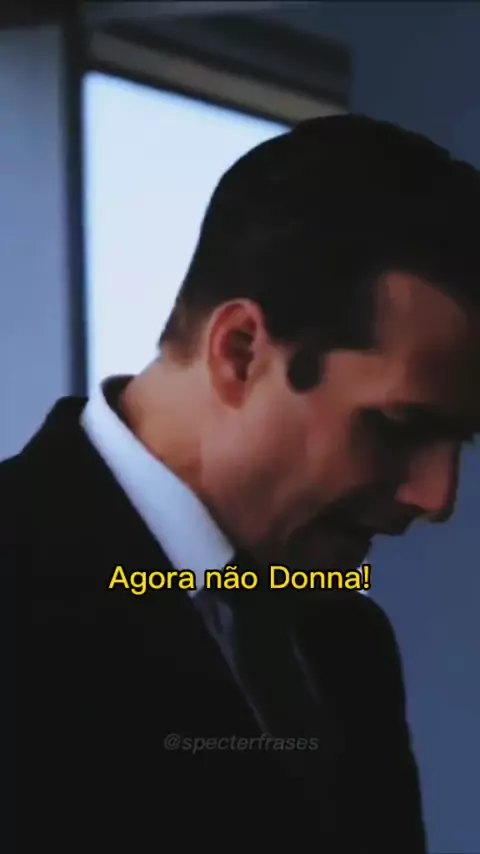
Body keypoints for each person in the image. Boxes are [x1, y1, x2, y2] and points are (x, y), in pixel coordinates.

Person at [7, 114, 480, 852]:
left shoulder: (350, 642)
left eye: (462, 441)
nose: (438, 497)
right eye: (398, 427)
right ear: (240, 350)